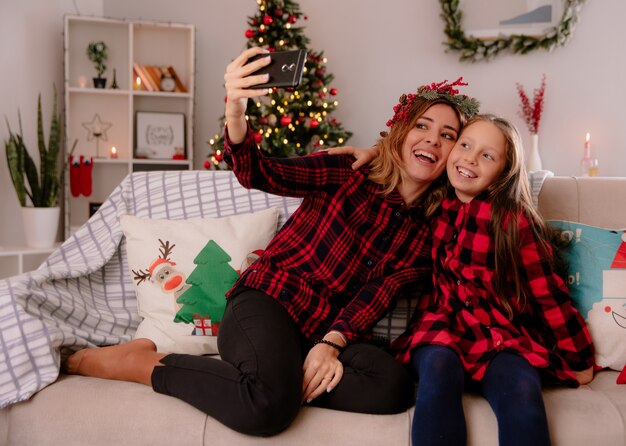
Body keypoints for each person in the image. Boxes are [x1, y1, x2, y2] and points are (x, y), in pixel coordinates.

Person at [65, 46, 478, 437]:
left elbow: (378, 292)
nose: (431, 140)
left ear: (453, 153)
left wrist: (329, 346)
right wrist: (235, 113)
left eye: (447, 135)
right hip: (268, 302)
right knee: (266, 408)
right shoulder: (348, 170)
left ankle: (273, 379)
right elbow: (261, 174)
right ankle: (144, 364)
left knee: (392, 386)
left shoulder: (431, 227)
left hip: (322, 331)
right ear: (402, 132)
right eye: (422, 126)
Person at [340, 114, 595, 445]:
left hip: (501, 334)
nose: (470, 159)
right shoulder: (432, 200)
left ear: (503, 172)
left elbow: (549, 296)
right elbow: (409, 161)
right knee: (438, 374)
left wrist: (579, 357)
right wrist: (377, 152)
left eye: (487, 156)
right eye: (464, 145)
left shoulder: (511, 223)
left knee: (520, 387)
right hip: (440, 330)